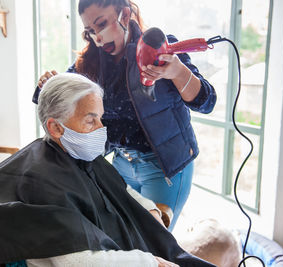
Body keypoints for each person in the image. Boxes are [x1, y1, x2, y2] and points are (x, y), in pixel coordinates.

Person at [0, 73, 214, 267]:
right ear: (55, 127)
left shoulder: (79, 154)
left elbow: (118, 191)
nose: (101, 129)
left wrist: (149, 208)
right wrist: (149, 263)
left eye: (100, 118)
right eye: (90, 120)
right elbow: (78, 261)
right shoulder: (40, 180)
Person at [34, 0, 216, 231]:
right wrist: (47, 83)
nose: (97, 38)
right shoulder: (92, 61)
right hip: (121, 163)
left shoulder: (160, 49)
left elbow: (207, 102)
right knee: (121, 236)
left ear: (125, 14)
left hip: (164, 168)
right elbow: (61, 91)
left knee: (154, 243)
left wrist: (178, 72)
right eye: (90, 32)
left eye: (101, 25)